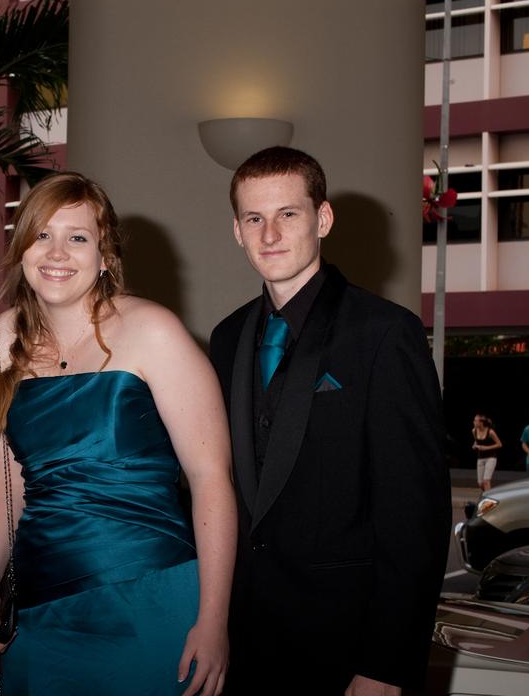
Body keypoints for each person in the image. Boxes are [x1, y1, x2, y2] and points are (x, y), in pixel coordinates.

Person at [0, 172, 236, 696]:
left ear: (105, 255)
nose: (57, 252)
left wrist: (214, 619)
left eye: (77, 237)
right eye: (42, 234)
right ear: (21, 246)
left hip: (151, 600)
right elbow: (4, 485)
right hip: (39, 607)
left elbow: (211, 479)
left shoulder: (153, 330)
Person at [207, 147, 450, 695]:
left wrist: (385, 666)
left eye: (287, 214)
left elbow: (415, 516)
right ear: (237, 232)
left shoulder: (386, 333)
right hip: (243, 644)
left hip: (346, 648)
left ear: (323, 219)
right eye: (254, 218)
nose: (269, 232)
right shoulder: (224, 339)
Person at [472, 413, 502, 492]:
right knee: (480, 483)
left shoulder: (490, 432)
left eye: (475, 421)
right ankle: (487, 495)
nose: (474, 422)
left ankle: (488, 501)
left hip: (491, 457)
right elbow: (476, 441)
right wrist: (475, 445)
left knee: (486, 481)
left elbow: (499, 444)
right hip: (480, 458)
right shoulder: (474, 431)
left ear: (481, 423)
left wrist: (486, 448)